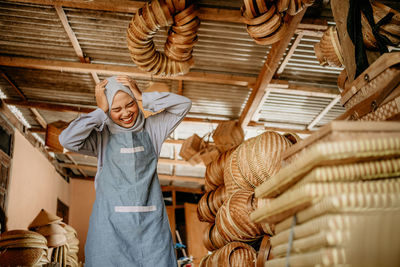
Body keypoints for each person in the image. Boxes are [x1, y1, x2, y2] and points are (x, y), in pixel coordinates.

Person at [59, 75, 191, 266]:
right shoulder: (101, 137)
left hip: (151, 231)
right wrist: (100, 112)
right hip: (110, 231)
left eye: (130, 104)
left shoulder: (153, 128)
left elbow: (183, 105)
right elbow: (66, 140)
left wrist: (142, 97)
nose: (126, 113)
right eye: (116, 109)